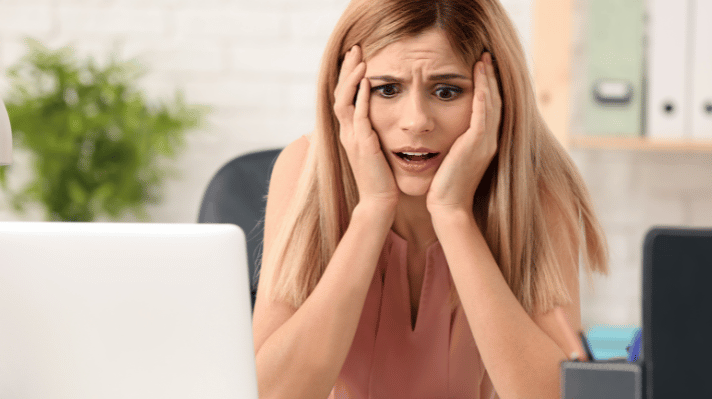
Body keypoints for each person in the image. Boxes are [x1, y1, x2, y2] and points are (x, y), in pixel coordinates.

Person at [252, 0, 609, 398]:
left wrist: (453, 214)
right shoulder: (304, 169)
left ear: (496, 96)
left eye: (446, 91)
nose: (417, 121)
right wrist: (372, 208)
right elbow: (270, 393)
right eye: (387, 89)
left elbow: (556, 395)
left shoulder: (539, 187)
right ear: (347, 95)